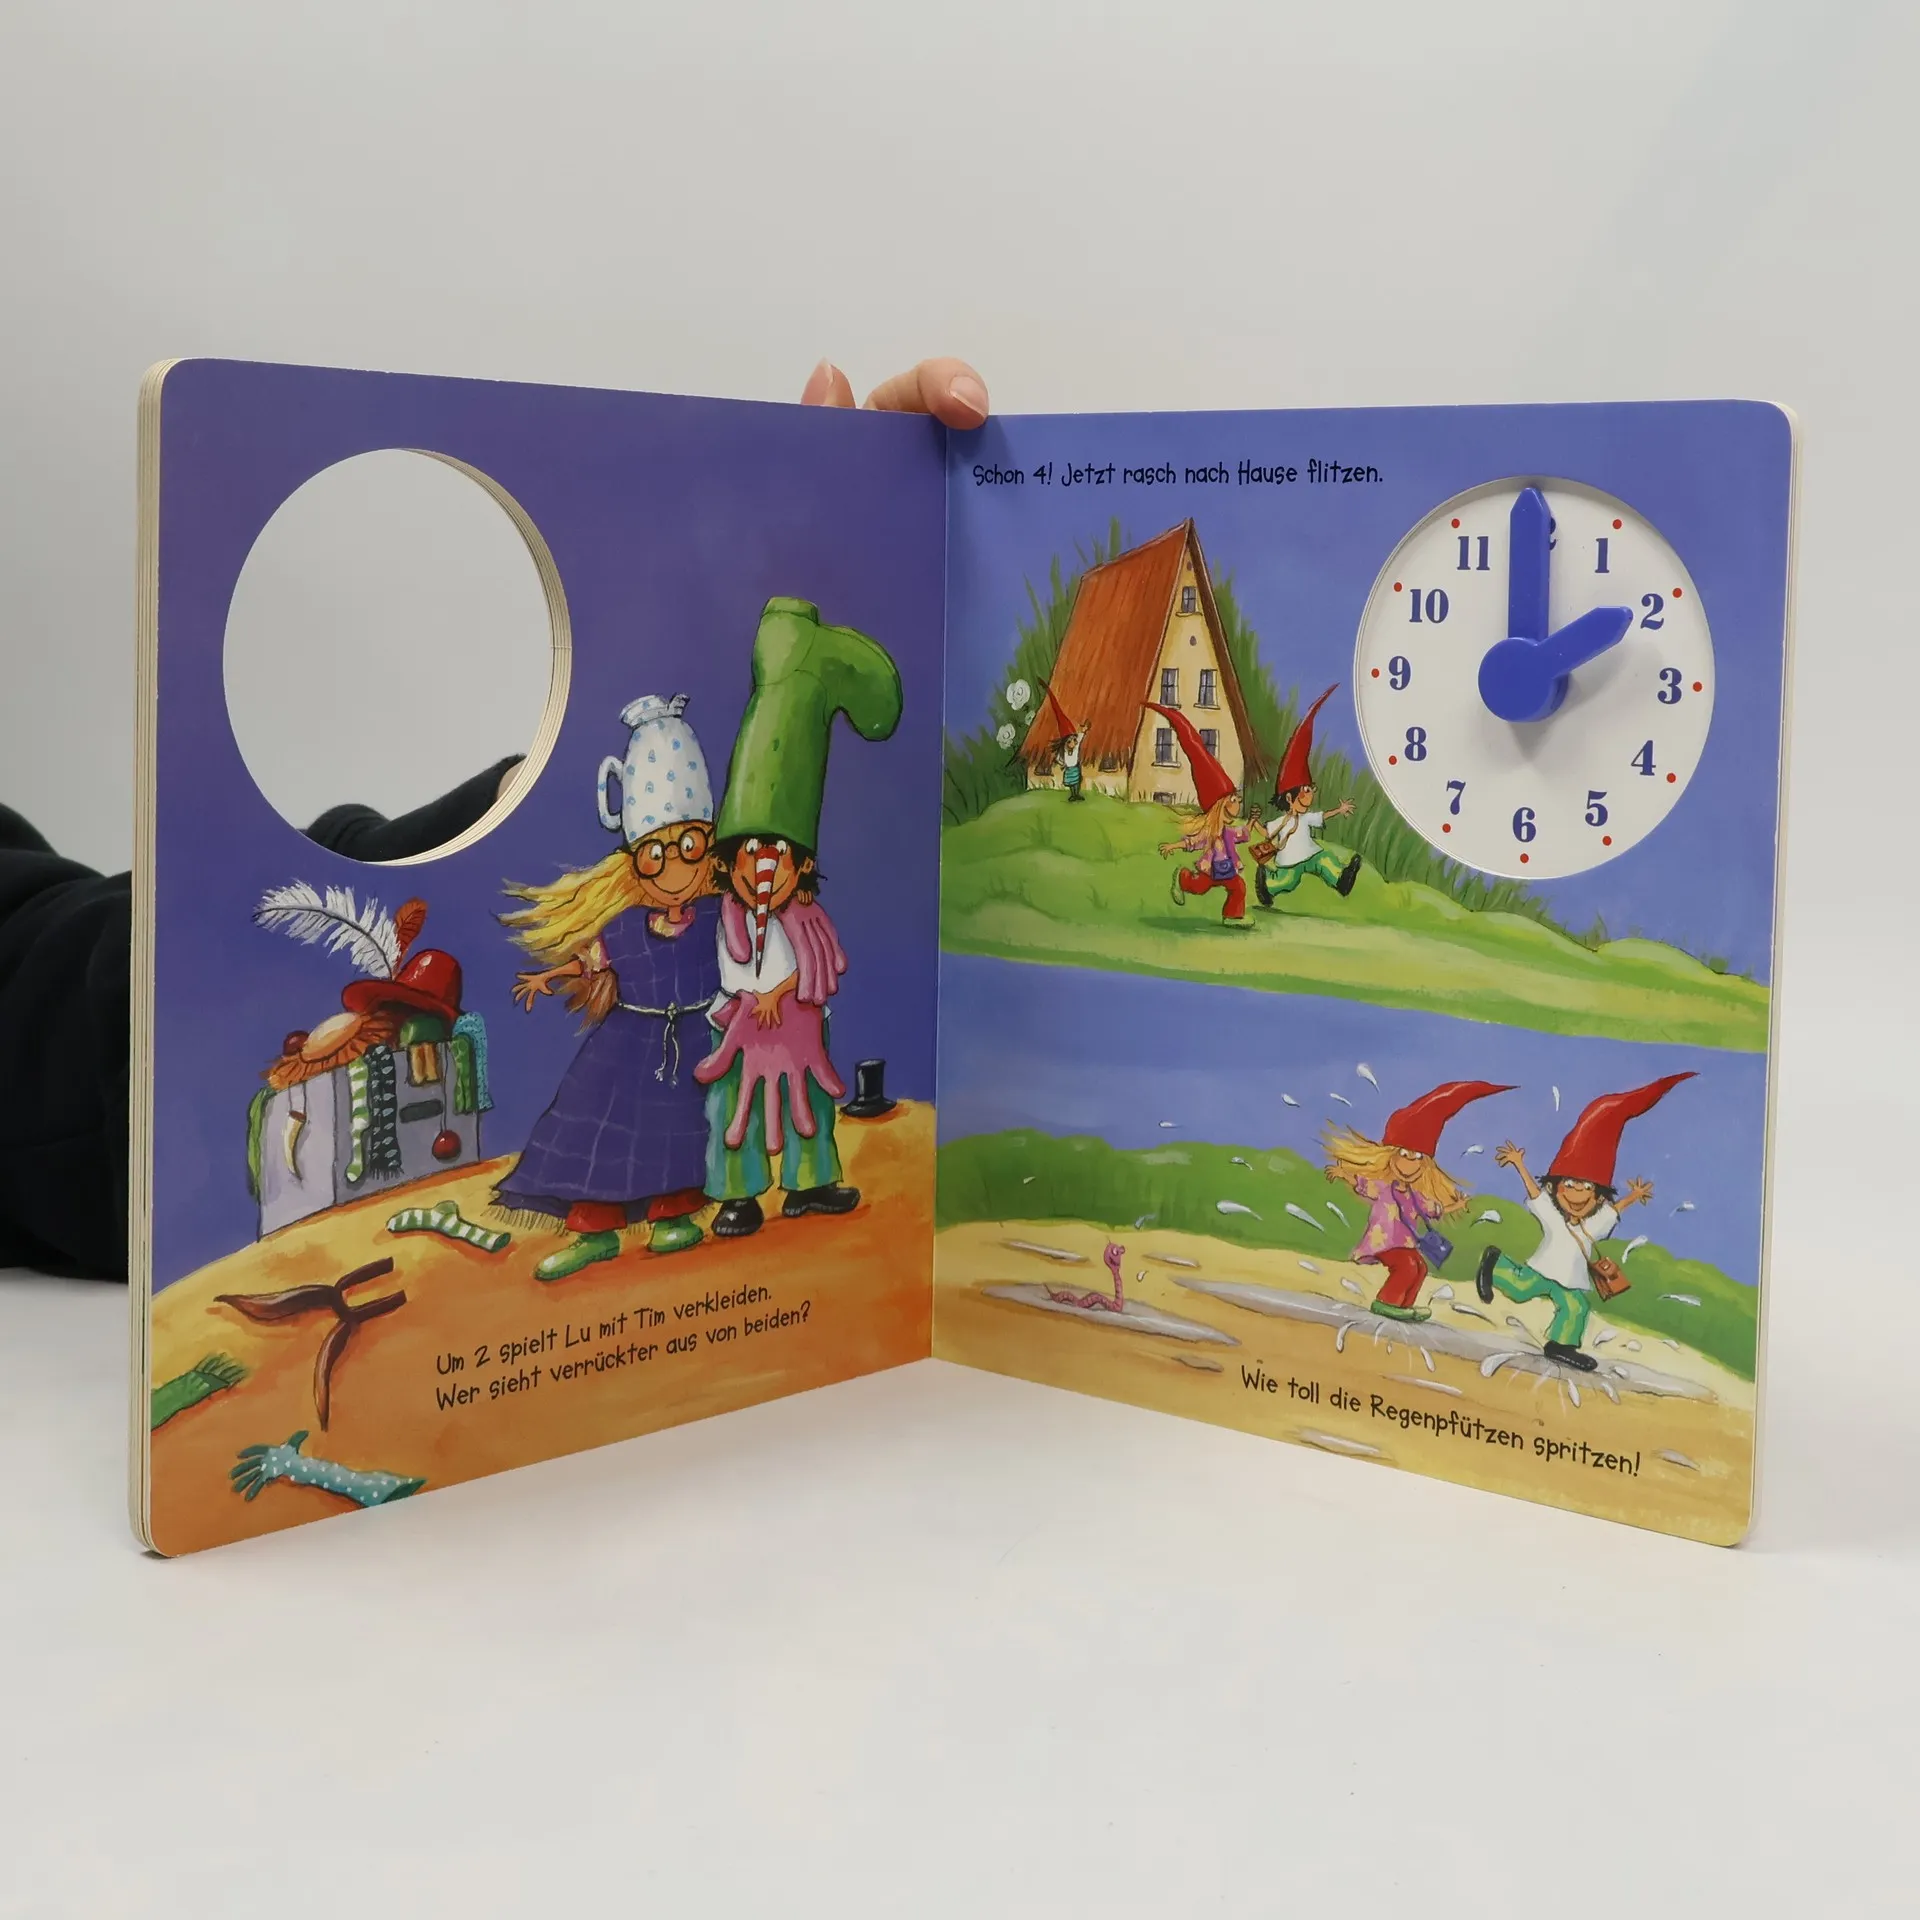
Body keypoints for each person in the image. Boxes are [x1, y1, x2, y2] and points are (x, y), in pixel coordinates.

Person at [0, 356, 988, 1280]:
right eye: (670, 849)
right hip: (638, 1063)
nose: (694, 864)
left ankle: (711, 1196)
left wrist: (800, 774)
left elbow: (56, 974)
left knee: (734, 1133)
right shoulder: (636, 929)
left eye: (698, 846)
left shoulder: (722, 912)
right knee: (624, 1146)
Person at [497, 694, 722, 1281]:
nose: (674, 868)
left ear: (709, 846)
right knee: (599, 1131)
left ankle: (674, 1216)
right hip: (625, 1047)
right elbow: (590, 964)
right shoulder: (621, 927)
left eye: (689, 848)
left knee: (680, 1133)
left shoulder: (719, 916)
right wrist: (548, 977)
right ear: (633, 861)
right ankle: (593, 1232)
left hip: (698, 1042)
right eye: (654, 856)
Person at [694, 598, 901, 1236]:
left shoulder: (804, 919)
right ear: (731, 857)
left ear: (801, 864)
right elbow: (730, 968)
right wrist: (755, 1003)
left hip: (796, 1022)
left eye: (779, 851)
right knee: (734, 1109)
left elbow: (807, 971)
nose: (764, 862)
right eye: (752, 848)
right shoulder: (727, 917)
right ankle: (738, 1194)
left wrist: (782, 996)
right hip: (737, 1025)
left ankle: (810, 1183)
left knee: (809, 1100)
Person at [1476, 1073, 1693, 1370]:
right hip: (1543, 1269)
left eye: (1587, 1188)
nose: (1578, 1194)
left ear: (1599, 1196)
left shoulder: (1594, 1225)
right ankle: (1495, 1263)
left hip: (1572, 1278)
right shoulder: (1553, 1216)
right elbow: (1535, 1194)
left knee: (1576, 1306)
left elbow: (1614, 1211)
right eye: (1570, 1185)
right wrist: (1519, 1165)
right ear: (1555, 1188)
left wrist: (1633, 1196)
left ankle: (1560, 1346)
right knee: (1519, 1288)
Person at [1324, 1080, 1511, 1322]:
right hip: (1384, 1241)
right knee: (1407, 1267)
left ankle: (1404, 1306)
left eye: (1418, 1158)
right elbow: (1362, 1184)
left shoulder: (1415, 1196)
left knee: (1420, 1267)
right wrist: (1344, 1174)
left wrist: (1457, 1205)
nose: (1410, 1163)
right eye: (1404, 1155)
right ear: (1390, 1157)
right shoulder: (1384, 1188)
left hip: (1406, 1244)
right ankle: (1386, 1302)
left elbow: (1435, 1210)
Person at [1251, 687, 1362, 908]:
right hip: (1290, 860)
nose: (1310, 795)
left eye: (1310, 790)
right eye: (1306, 791)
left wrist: (1339, 810)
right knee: (1288, 881)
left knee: (1325, 860)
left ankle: (1341, 879)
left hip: (1311, 854)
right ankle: (1267, 886)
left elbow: (1322, 816)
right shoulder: (1282, 821)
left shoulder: (1305, 818)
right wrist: (1254, 823)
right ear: (1290, 798)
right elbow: (1267, 833)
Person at [1148, 702, 1255, 928]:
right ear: (1220, 806)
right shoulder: (1210, 832)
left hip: (1227, 871)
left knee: (1238, 887)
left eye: (1236, 799)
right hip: (1210, 871)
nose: (1237, 803)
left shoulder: (1227, 832)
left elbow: (1243, 834)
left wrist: (1253, 822)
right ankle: (1183, 878)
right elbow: (1193, 842)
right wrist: (1173, 846)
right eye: (1233, 800)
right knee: (1198, 887)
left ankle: (1232, 916)